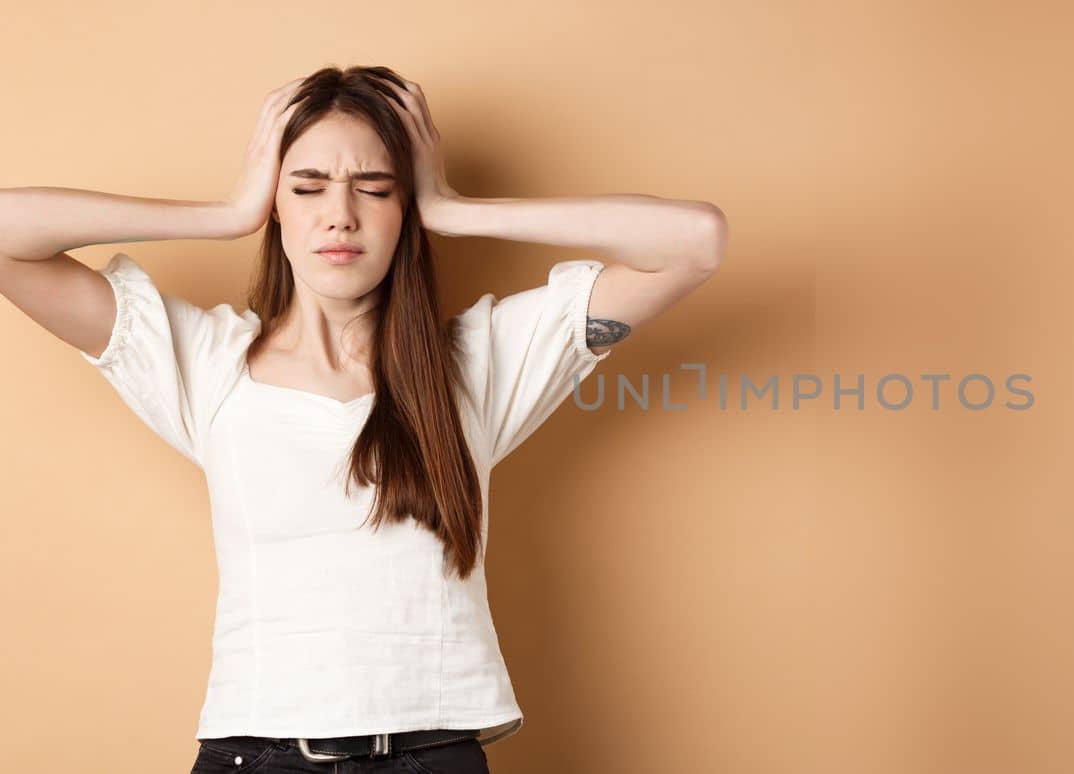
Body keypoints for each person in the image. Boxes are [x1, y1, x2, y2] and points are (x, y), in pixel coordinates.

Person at [0, 65, 726, 773]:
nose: (339, 214)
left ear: (402, 206)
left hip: (433, 754)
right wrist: (223, 216)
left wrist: (453, 207)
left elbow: (695, 242)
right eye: (307, 186)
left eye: (374, 188)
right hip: (258, 755)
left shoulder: (477, 365)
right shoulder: (208, 363)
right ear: (274, 204)